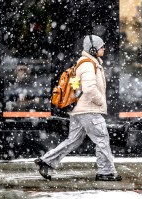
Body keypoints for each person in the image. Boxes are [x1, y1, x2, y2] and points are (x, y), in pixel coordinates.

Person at [34, 35, 122, 181]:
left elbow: (76, 86)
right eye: (101, 47)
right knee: (102, 138)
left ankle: (47, 161)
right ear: (93, 49)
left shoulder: (83, 63)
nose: (104, 48)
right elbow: (89, 88)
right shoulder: (88, 65)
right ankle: (105, 172)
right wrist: (100, 101)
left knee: (73, 140)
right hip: (88, 110)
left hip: (79, 110)